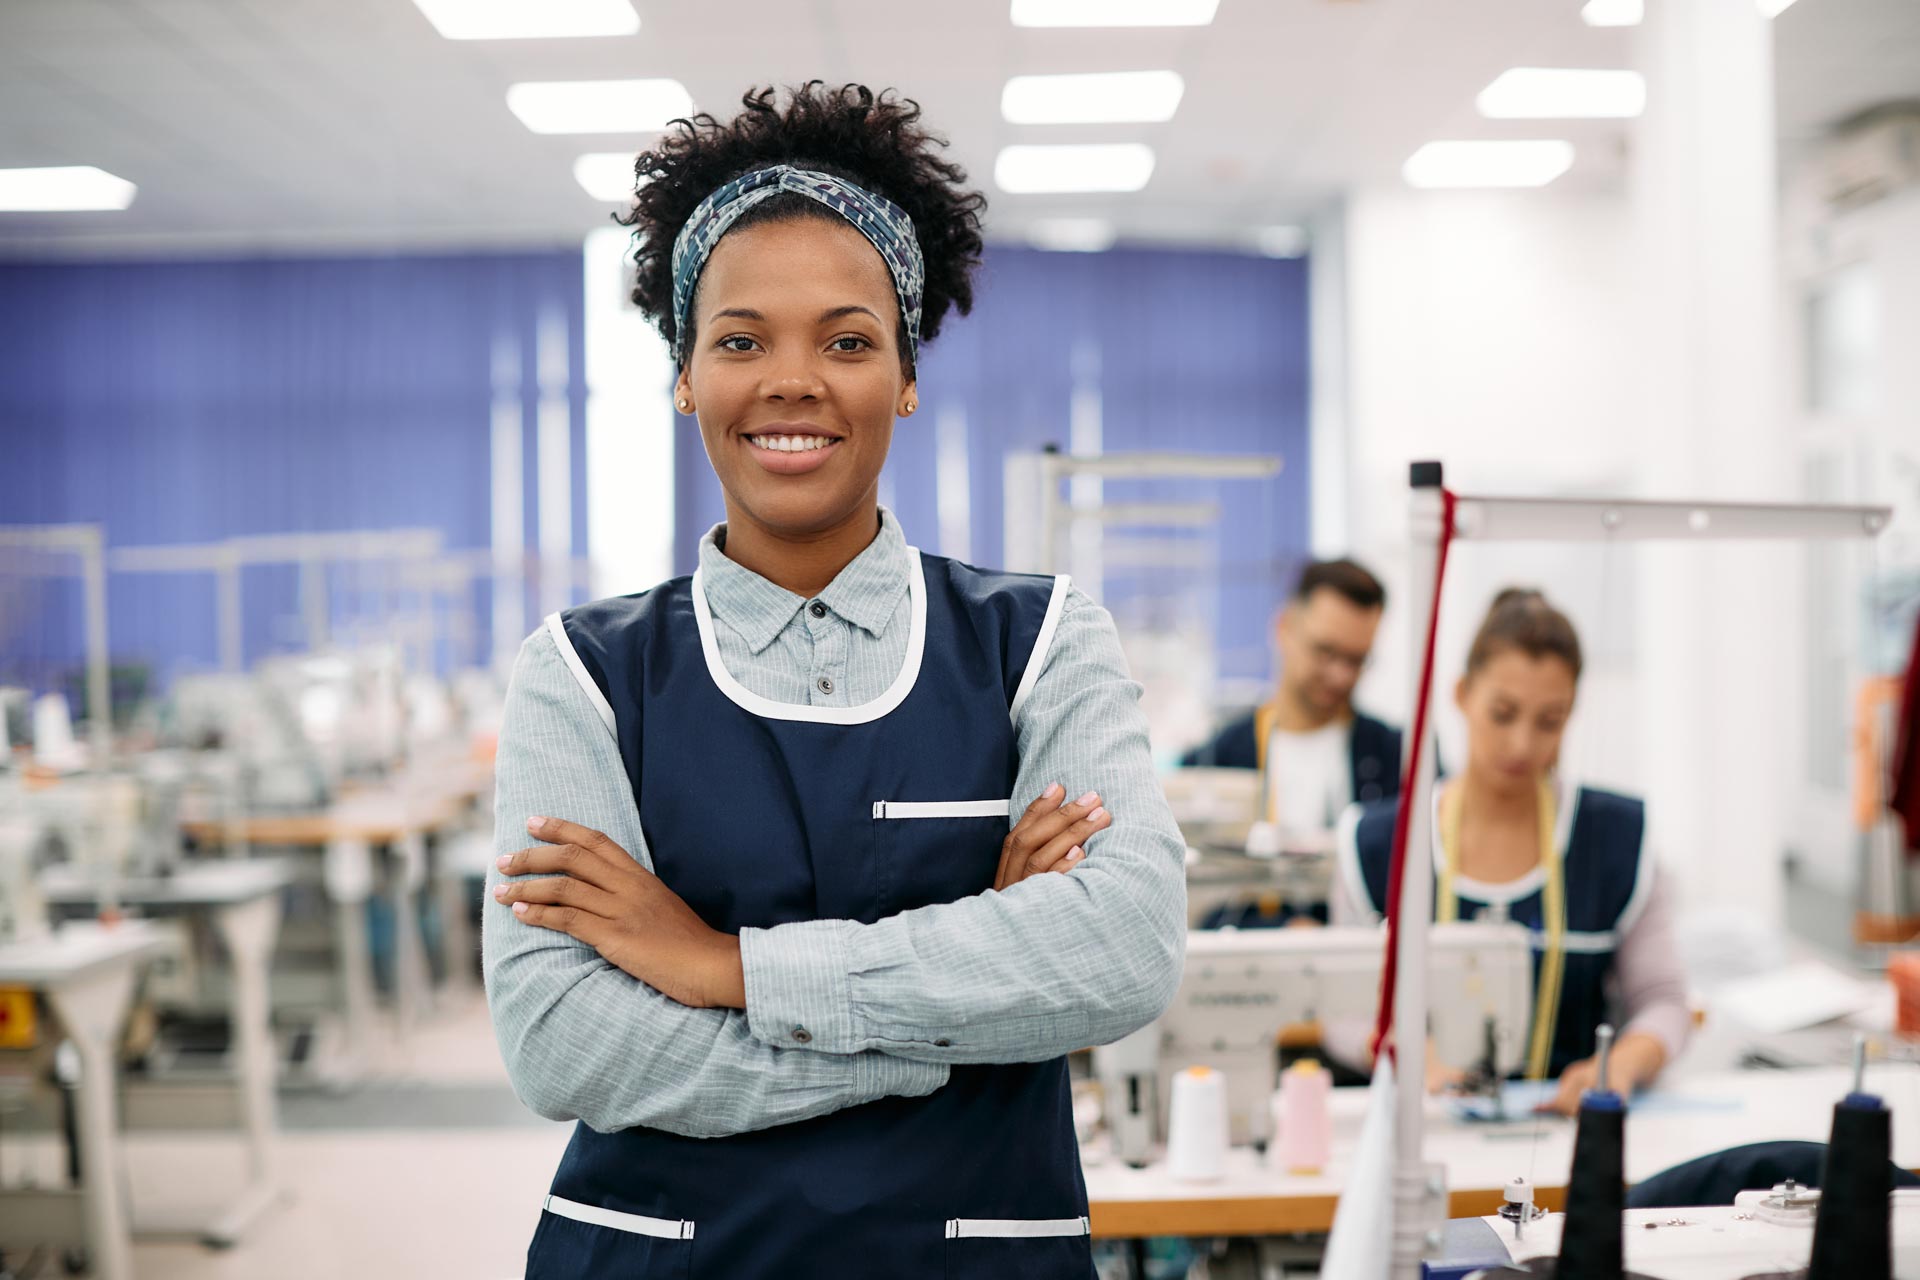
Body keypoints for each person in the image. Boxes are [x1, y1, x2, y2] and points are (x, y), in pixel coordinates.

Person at [481, 83, 1186, 1279]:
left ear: (907, 376)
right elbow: (563, 1041)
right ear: (685, 375)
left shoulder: (1043, 642)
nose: (793, 379)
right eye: (741, 338)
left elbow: (1121, 948)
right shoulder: (582, 676)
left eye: (848, 340)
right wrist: (967, 1009)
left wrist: (721, 967)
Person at [1330, 588, 1690, 1115]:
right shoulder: (1375, 845)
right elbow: (1341, 1011)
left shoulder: (1620, 840)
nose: (1523, 744)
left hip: (1569, 1131)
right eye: (1502, 713)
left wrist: (1626, 1062)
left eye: (1550, 721)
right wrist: (1403, 1050)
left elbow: (1663, 1000)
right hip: (1422, 1129)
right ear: (1461, 695)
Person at [1182, 558, 1403, 832]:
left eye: (1356, 660)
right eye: (1325, 651)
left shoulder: (1399, 761)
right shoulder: (1216, 759)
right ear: (1283, 627)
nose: (1340, 675)